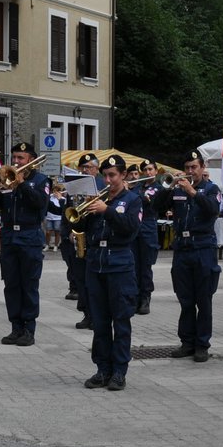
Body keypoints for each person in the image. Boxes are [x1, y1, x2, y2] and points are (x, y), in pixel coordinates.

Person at [80, 154, 143, 391]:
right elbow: (77, 226)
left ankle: (119, 372)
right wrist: (81, 207)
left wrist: (106, 210)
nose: (107, 180)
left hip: (120, 263)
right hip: (96, 263)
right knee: (100, 321)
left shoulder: (133, 199)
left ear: (123, 175)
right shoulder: (98, 198)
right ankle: (102, 369)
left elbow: (130, 227)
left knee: (121, 319)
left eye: (112, 175)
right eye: (104, 175)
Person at [161, 149, 221, 363]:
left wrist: (194, 193)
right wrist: (169, 187)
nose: (190, 172)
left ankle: (202, 345)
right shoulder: (177, 190)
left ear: (202, 168)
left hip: (203, 248)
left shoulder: (211, 189)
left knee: (203, 300)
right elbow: (157, 206)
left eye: (194, 167)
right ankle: (187, 342)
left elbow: (213, 209)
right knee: (185, 300)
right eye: (186, 168)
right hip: (182, 249)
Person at [0, 140, 52, 346]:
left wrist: (21, 183)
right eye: (14, 158)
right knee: (11, 284)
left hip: (30, 236)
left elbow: (41, 204)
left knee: (29, 284)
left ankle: (29, 329)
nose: (16, 161)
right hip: (9, 236)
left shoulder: (41, 180)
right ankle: (15, 327)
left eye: (21, 158)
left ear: (31, 161)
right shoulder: (5, 180)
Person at [63, 152, 99, 326]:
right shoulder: (74, 186)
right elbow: (69, 210)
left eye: (89, 167)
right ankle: (86, 313)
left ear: (96, 170)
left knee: (92, 279)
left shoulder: (101, 186)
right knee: (80, 278)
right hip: (76, 236)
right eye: (83, 167)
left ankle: (95, 314)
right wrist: (70, 230)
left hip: (92, 237)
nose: (85, 170)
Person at [134, 158, 163, 316]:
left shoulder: (158, 188)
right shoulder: (137, 186)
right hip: (135, 228)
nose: (148, 172)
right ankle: (135, 297)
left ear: (156, 171)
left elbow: (152, 202)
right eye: (145, 170)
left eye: (150, 169)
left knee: (145, 266)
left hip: (148, 228)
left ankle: (145, 298)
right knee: (134, 266)